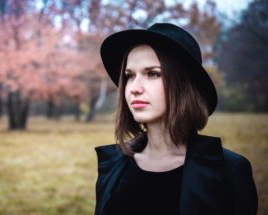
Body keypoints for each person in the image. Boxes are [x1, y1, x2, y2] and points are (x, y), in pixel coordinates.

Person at [95, 23, 258, 215]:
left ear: (184, 85)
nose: (134, 88)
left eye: (152, 74)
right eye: (129, 76)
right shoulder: (114, 165)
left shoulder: (229, 171)